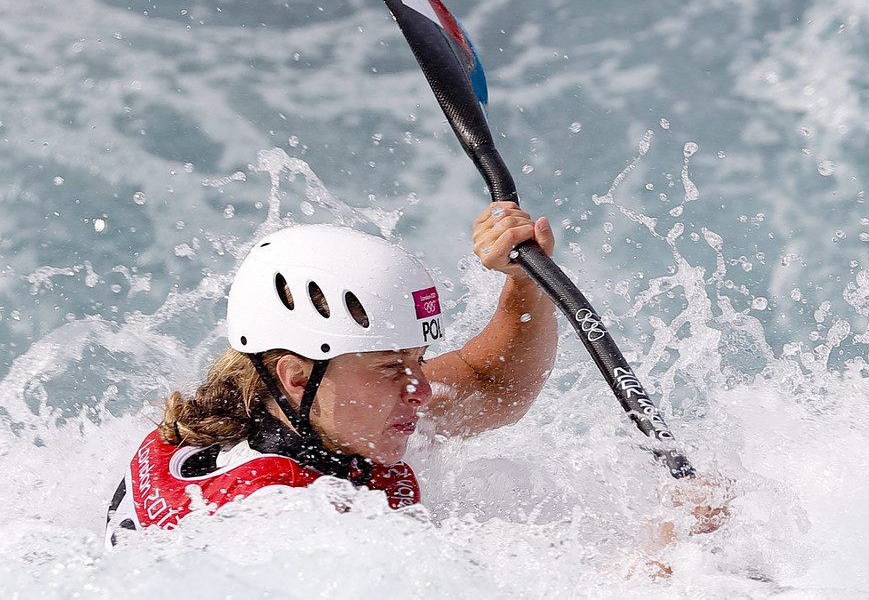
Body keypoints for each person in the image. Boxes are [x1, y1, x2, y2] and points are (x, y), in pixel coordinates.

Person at [105, 202, 557, 546]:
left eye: (418, 360)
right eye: (389, 367)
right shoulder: (282, 520)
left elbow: (491, 382)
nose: (419, 390)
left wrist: (525, 280)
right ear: (297, 376)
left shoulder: (244, 419)